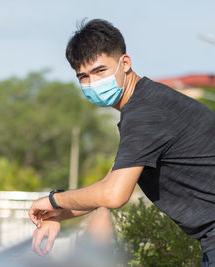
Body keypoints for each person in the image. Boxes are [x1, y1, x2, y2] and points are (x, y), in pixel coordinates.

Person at [28, 18, 215, 266]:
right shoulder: (147, 102)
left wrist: (52, 201)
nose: (93, 83)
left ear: (125, 63)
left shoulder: (145, 113)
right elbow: (109, 183)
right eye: (83, 76)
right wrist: (56, 215)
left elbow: (113, 195)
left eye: (100, 71)